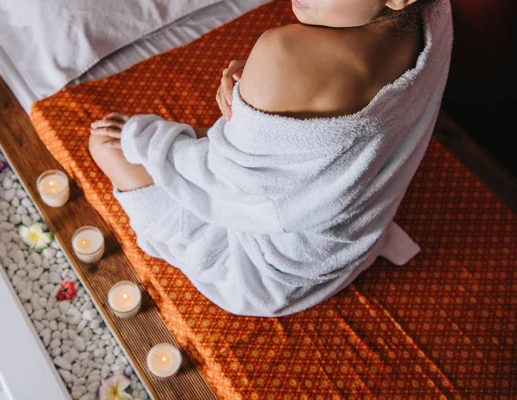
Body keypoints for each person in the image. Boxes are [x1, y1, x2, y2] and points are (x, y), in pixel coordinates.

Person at [88, 0, 453, 317]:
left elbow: (222, 190)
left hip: (263, 273)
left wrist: (151, 141)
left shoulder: (283, 52)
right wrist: (266, 86)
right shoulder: (433, 16)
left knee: (104, 144)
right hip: (353, 241)